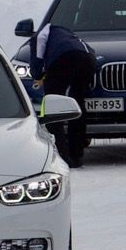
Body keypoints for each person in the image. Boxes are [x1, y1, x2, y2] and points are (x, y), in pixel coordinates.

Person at [32, 23, 96, 167]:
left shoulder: (40, 34)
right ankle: (77, 154)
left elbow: (37, 57)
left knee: (53, 107)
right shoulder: (68, 34)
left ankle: (61, 156)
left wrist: (38, 75)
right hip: (88, 59)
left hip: (63, 59)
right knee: (77, 106)